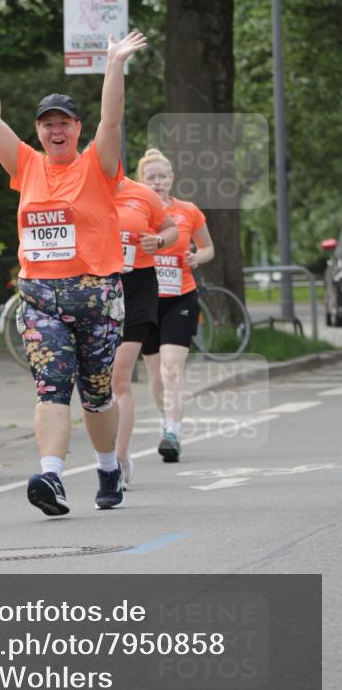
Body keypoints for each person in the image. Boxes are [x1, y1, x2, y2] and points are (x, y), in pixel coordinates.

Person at [0, 27, 147, 516]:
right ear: (39, 131)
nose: (54, 130)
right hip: (41, 295)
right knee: (51, 386)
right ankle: (52, 477)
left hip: (98, 296)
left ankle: (108, 467)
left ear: (77, 127)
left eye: (63, 122)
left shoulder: (96, 165)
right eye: (47, 124)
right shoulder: (26, 166)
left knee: (97, 393)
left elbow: (113, 118)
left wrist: (113, 63)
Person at [137, 147, 215, 462]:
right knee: (155, 374)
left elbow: (208, 247)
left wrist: (198, 256)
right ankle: (164, 419)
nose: (157, 182)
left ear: (172, 178)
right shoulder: (135, 211)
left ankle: (173, 432)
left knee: (172, 368)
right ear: (141, 180)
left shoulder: (189, 212)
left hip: (181, 296)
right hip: (146, 299)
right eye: (150, 177)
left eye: (162, 176)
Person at [112, 175, 179, 486]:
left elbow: (170, 228)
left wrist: (160, 241)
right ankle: (107, 453)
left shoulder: (142, 194)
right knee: (97, 384)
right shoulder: (79, 188)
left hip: (137, 286)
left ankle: (118, 459)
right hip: (92, 287)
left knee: (119, 375)